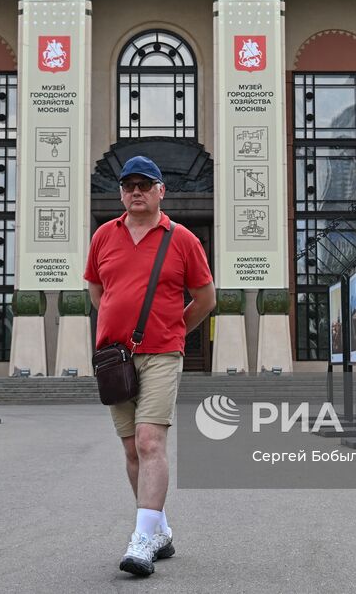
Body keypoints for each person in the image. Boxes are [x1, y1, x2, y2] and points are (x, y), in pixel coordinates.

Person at [85, 155, 216, 578]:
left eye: (145, 184)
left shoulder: (182, 240)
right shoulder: (104, 235)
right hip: (114, 359)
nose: (135, 191)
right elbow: (97, 290)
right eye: (128, 185)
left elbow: (207, 299)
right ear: (121, 192)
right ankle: (158, 528)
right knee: (130, 449)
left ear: (162, 190)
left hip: (161, 353)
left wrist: (173, 330)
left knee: (148, 441)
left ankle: (140, 540)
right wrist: (114, 326)